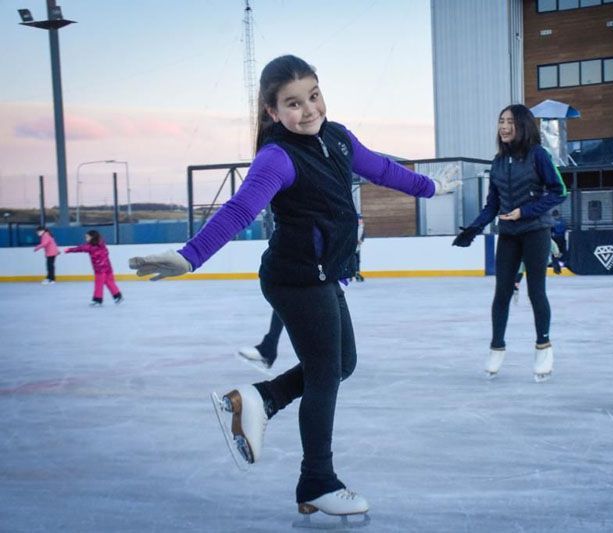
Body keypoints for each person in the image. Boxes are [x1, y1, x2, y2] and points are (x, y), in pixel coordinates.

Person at [128, 55, 459, 523]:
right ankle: (317, 482)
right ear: (271, 112)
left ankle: (260, 399)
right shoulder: (277, 158)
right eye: (293, 103)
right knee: (326, 373)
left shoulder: (338, 139)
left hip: (321, 274)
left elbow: (382, 169)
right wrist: (190, 255)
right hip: (296, 278)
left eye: (314, 95)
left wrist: (430, 187)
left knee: (343, 364)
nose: (308, 110)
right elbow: (240, 210)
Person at [453, 103, 568, 381]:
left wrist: (525, 211)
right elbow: (492, 204)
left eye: (510, 122)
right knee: (501, 292)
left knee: (535, 291)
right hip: (508, 234)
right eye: (501, 121)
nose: (503, 127)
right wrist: (474, 227)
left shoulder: (538, 155)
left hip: (535, 231)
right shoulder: (498, 162)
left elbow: (559, 191)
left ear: (523, 125)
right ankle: (497, 346)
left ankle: (543, 347)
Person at [65, 230, 123, 306]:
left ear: (92, 237)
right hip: (108, 267)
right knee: (109, 282)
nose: (86, 238)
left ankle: (98, 300)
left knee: (99, 284)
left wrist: (69, 250)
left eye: (87, 237)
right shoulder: (101, 243)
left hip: (99, 269)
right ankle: (118, 296)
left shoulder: (90, 247)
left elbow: (80, 248)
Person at [354, 214, 365, 282]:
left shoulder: (362, 227)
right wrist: (355, 241)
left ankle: (357, 272)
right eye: (359, 219)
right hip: (353, 248)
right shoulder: (354, 227)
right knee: (353, 260)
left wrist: (361, 240)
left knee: (358, 260)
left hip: (358, 248)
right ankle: (352, 273)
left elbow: (363, 235)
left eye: (361, 219)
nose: (360, 220)